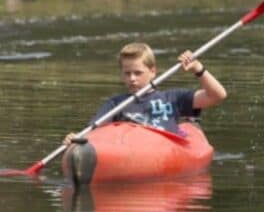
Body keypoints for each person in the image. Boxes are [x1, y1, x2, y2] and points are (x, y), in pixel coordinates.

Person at [63, 42, 227, 147]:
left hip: (166, 149)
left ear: (153, 71)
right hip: (133, 151)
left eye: (138, 73)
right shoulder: (116, 104)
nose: (132, 79)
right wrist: (76, 139)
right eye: (127, 73)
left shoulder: (172, 98)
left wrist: (198, 69)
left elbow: (217, 96)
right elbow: (93, 131)